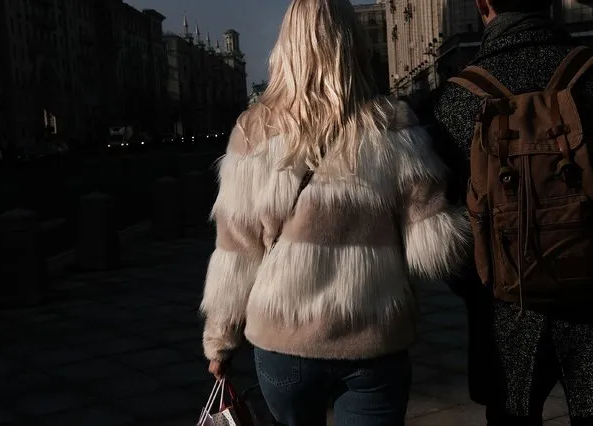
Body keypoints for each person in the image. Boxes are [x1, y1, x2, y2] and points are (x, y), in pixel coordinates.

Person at [199, 0, 471, 425]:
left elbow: (236, 253)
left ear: (286, 47)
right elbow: (433, 246)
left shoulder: (252, 132)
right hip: (373, 341)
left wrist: (220, 341)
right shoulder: (392, 123)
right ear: (352, 44)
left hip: (284, 345)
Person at [434, 0, 593, 424]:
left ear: (483, 3)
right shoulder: (589, 71)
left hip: (504, 310)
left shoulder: (455, 98)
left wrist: (487, 281)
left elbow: (446, 235)